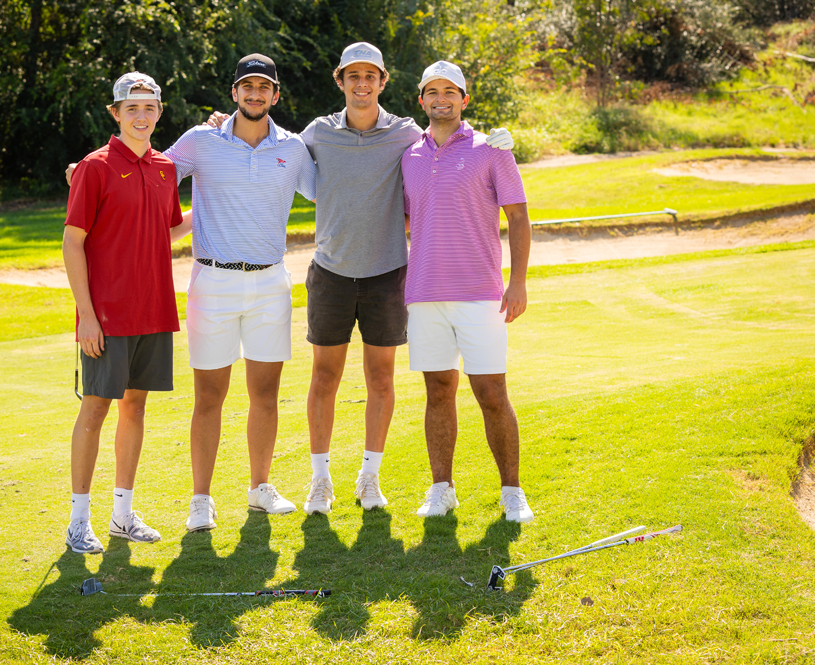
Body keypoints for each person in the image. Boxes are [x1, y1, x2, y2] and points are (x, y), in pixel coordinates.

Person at [296, 43, 515, 516]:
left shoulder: (405, 134)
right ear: (340, 81)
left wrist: (498, 141)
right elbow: (274, 151)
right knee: (324, 377)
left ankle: (370, 479)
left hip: (389, 275)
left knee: (382, 379)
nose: (361, 84)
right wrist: (224, 126)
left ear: (383, 81)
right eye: (352, 76)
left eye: (369, 76)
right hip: (331, 272)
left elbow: (451, 138)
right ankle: (320, 481)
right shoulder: (317, 132)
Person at [167, 53, 317, 531]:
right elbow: (148, 174)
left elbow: (333, 191)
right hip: (213, 281)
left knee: (265, 393)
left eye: (264, 88)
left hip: (271, 282)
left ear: (276, 95)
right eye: (246, 87)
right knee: (209, 395)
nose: (255, 94)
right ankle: (200, 499)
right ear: (234, 93)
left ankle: (259, 488)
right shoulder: (201, 140)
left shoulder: (292, 149)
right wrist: (90, 168)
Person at [63, 72, 192, 554]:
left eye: (149, 107)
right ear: (115, 113)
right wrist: (87, 316)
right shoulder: (95, 168)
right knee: (94, 409)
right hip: (107, 317)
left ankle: (122, 514)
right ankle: (79, 520)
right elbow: (72, 242)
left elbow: (170, 230)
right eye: (131, 108)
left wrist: (234, 199)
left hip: (153, 311)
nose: (141, 116)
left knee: (135, 408)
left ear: (160, 112)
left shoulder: (164, 168)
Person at [401, 61, 534, 521]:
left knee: (492, 392)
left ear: (464, 99)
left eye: (450, 91)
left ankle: (512, 492)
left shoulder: (492, 150)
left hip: (481, 293)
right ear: (421, 100)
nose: (441, 98)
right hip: (423, 293)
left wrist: (517, 281)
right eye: (432, 91)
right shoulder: (410, 154)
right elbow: (407, 216)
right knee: (438, 390)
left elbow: (518, 216)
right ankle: (442, 489)